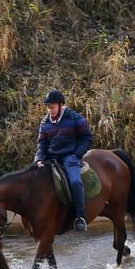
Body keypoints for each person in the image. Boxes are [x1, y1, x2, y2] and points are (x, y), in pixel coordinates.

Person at [34, 89, 94, 231]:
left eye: (53, 107)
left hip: (69, 157)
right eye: (48, 107)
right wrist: (38, 159)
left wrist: (76, 154)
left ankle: (80, 216)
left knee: (75, 181)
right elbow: (41, 144)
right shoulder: (45, 122)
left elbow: (87, 138)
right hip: (50, 158)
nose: (50, 110)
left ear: (61, 105)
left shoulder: (74, 118)